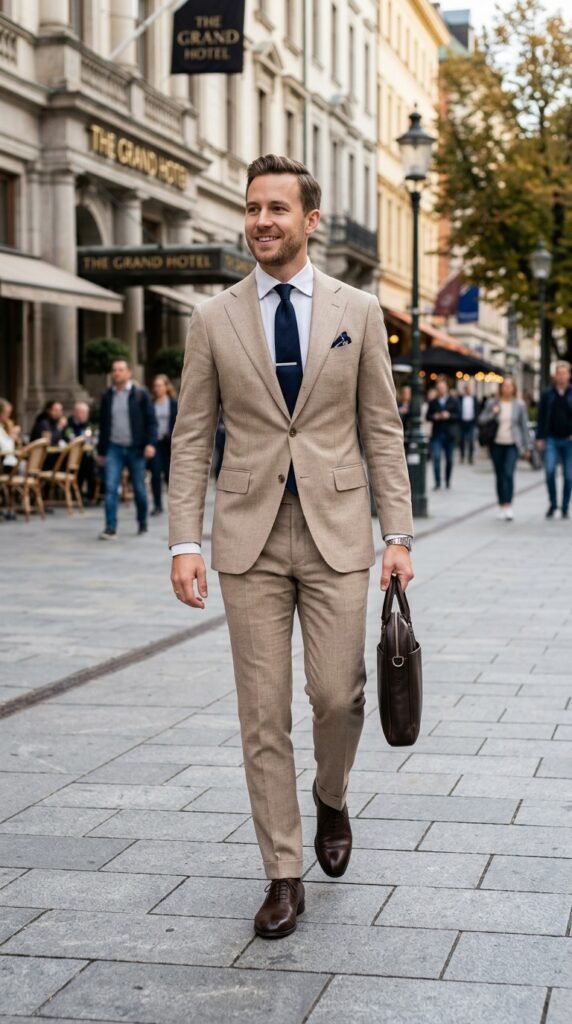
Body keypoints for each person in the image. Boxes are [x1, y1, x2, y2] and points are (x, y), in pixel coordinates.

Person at [169, 154, 414, 939]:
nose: (262, 221)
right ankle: (283, 872)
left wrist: (397, 534)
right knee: (261, 712)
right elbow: (192, 437)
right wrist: (183, 541)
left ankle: (332, 796)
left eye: (277, 208)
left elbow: (382, 427)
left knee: (338, 697)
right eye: (252, 209)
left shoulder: (359, 310)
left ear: (310, 220)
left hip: (339, 533)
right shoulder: (213, 319)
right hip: (248, 539)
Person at [96, 358, 157, 539]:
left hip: (135, 448)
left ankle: (142, 521)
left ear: (128, 373)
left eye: (121, 370)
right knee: (111, 487)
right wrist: (101, 451)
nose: (117, 373)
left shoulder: (140, 395)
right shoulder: (107, 396)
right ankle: (110, 527)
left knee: (138, 488)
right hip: (114, 448)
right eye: (114, 370)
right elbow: (104, 424)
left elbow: (151, 421)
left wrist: (150, 443)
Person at [478, 378, 530, 520]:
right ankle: (501, 504)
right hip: (496, 444)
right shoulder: (492, 403)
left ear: (513, 388)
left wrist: (527, 446)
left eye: (510, 386)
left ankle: (508, 505)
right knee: (500, 475)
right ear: (501, 388)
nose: (507, 389)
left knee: (508, 473)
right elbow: (481, 420)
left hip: (513, 444)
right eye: (505, 386)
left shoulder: (519, 405)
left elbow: (524, 426)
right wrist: (492, 413)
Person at [536, 361, 572, 519]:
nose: (561, 376)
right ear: (555, 376)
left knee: (569, 476)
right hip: (551, 439)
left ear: (569, 375)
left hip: (569, 441)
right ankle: (553, 503)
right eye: (559, 373)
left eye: (564, 373)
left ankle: (565, 506)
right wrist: (540, 437)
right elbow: (541, 416)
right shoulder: (547, 394)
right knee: (549, 471)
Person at [149, 375, 178, 516]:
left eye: (160, 385)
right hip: (156, 443)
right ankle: (157, 505)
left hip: (169, 444)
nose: (157, 388)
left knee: (169, 475)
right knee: (155, 474)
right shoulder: (151, 404)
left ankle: (174, 505)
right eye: (155, 386)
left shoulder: (173, 404)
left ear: (166, 387)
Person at [426, 377, 459, 489]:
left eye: (442, 388)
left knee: (449, 460)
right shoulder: (433, 402)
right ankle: (437, 482)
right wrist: (434, 416)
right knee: (436, 458)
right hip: (437, 434)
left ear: (446, 388)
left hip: (449, 434)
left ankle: (448, 480)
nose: (440, 390)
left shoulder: (453, 401)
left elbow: (458, 416)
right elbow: (428, 416)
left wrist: (449, 415)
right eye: (438, 388)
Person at [64, 401, 97, 502]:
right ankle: (76, 493)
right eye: (82, 413)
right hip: (68, 456)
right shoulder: (68, 423)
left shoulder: (89, 424)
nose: (84, 415)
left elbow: (93, 438)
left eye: (86, 413)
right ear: (75, 413)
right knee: (83, 464)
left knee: (91, 464)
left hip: (85, 454)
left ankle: (91, 495)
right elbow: (68, 437)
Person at [458, 383, 478, 464]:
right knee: (462, 440)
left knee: (471, 440)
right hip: (462, 422)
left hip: (471, 422)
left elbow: (477, 409)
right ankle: (462, 455)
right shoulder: (460, 398)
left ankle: (470, 456)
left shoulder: (474, 398)